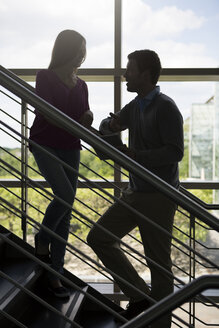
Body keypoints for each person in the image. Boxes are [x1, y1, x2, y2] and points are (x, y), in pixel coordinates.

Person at [87, 49, 184, 327]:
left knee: (159, 264)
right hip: (134, 192)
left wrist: (136, 156)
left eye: (129, 69)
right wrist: (110, 123)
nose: (125, 74)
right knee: (99, 237)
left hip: (159, 195)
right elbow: (112, 127)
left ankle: (159, 323)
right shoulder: (136, 104)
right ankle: (140, 296)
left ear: (145, 73)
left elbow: (175, 152)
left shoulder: (166, 107)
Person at [29, 29, 93, 298]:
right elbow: (46, 111)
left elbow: (82, 115)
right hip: (45, 142)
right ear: (66, 50)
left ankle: (54, 275)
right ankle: (42, 239)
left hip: (71, 146)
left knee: (65, 214)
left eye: (84, 50)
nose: (82, 55)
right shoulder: (45, 77)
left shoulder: (81, 84)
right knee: (65, 196)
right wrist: (72, 122)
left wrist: (87, 116)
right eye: (78, 49)